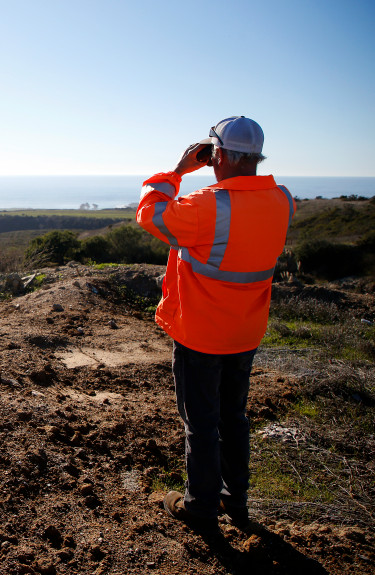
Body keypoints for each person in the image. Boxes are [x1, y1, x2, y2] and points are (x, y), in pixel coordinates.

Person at [136, 116, 295, 530]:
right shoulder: (283, 200)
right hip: (246, 332)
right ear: (257, 157)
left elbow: (151, 214)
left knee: (201, 424)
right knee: (234, 417)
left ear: (217, 154)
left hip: (203, 335)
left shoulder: (208, 205)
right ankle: (234, 500)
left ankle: (201, 507)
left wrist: (178, 170)